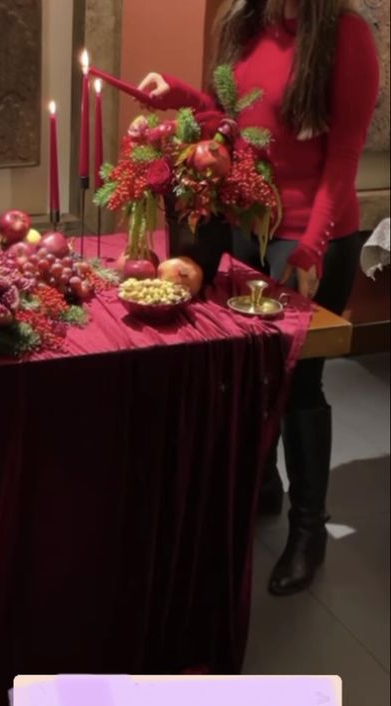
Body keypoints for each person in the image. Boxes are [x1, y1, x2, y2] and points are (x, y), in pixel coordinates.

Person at [138, 0, 379, 596]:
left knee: (300, 381)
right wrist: (180, 96)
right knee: (251, 368)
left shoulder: (346, 34)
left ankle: (308, 530)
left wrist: (310, 248)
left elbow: (344, 158)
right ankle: (264, 487)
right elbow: (230, 122)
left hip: (308, 234)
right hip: (247, 221)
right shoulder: (245, 23)